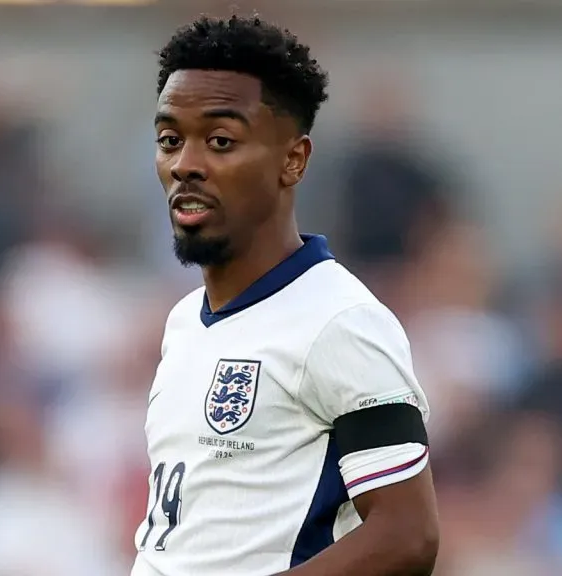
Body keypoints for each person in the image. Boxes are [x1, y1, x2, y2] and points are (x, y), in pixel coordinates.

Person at [132, 15, 439, 576]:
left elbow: (407, 534)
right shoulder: (184, 322)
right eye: (170, 140)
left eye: (220, 141)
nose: (185, 165)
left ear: (292, 160)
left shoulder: (339, 321)